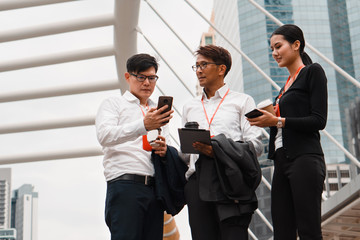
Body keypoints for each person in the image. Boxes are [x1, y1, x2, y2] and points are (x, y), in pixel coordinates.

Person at [247, 24, 327, 239]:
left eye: (278, 46)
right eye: (271, 49)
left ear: (296, 45)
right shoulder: (284, 88)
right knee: (282, 231)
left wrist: (278, 120)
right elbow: (281, 122)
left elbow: (319, 120)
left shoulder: (313, 72)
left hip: (305, 158)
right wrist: (269, 120)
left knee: (309, 230)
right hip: (282, 161)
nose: (274, 53)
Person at [182, 44, 263, 240]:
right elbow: (185, 156)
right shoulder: (189, 106)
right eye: (196, 66)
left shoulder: (242, 101)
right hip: (197, 181)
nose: (199, 70)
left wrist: (218, 150)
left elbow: (256, 145)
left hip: (229, 178)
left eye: (204, 64)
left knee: (234, 235)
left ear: (221, 69)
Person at [95, 53, 174, 240]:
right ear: (127, 77)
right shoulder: (113, 104)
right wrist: (144, 125)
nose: (147, 82)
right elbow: (104, 136)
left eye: (152, 77)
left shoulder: (159, 111)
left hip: (155, 189)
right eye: (141, 77)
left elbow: (168, 144)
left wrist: (164, 150)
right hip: (124, 185)